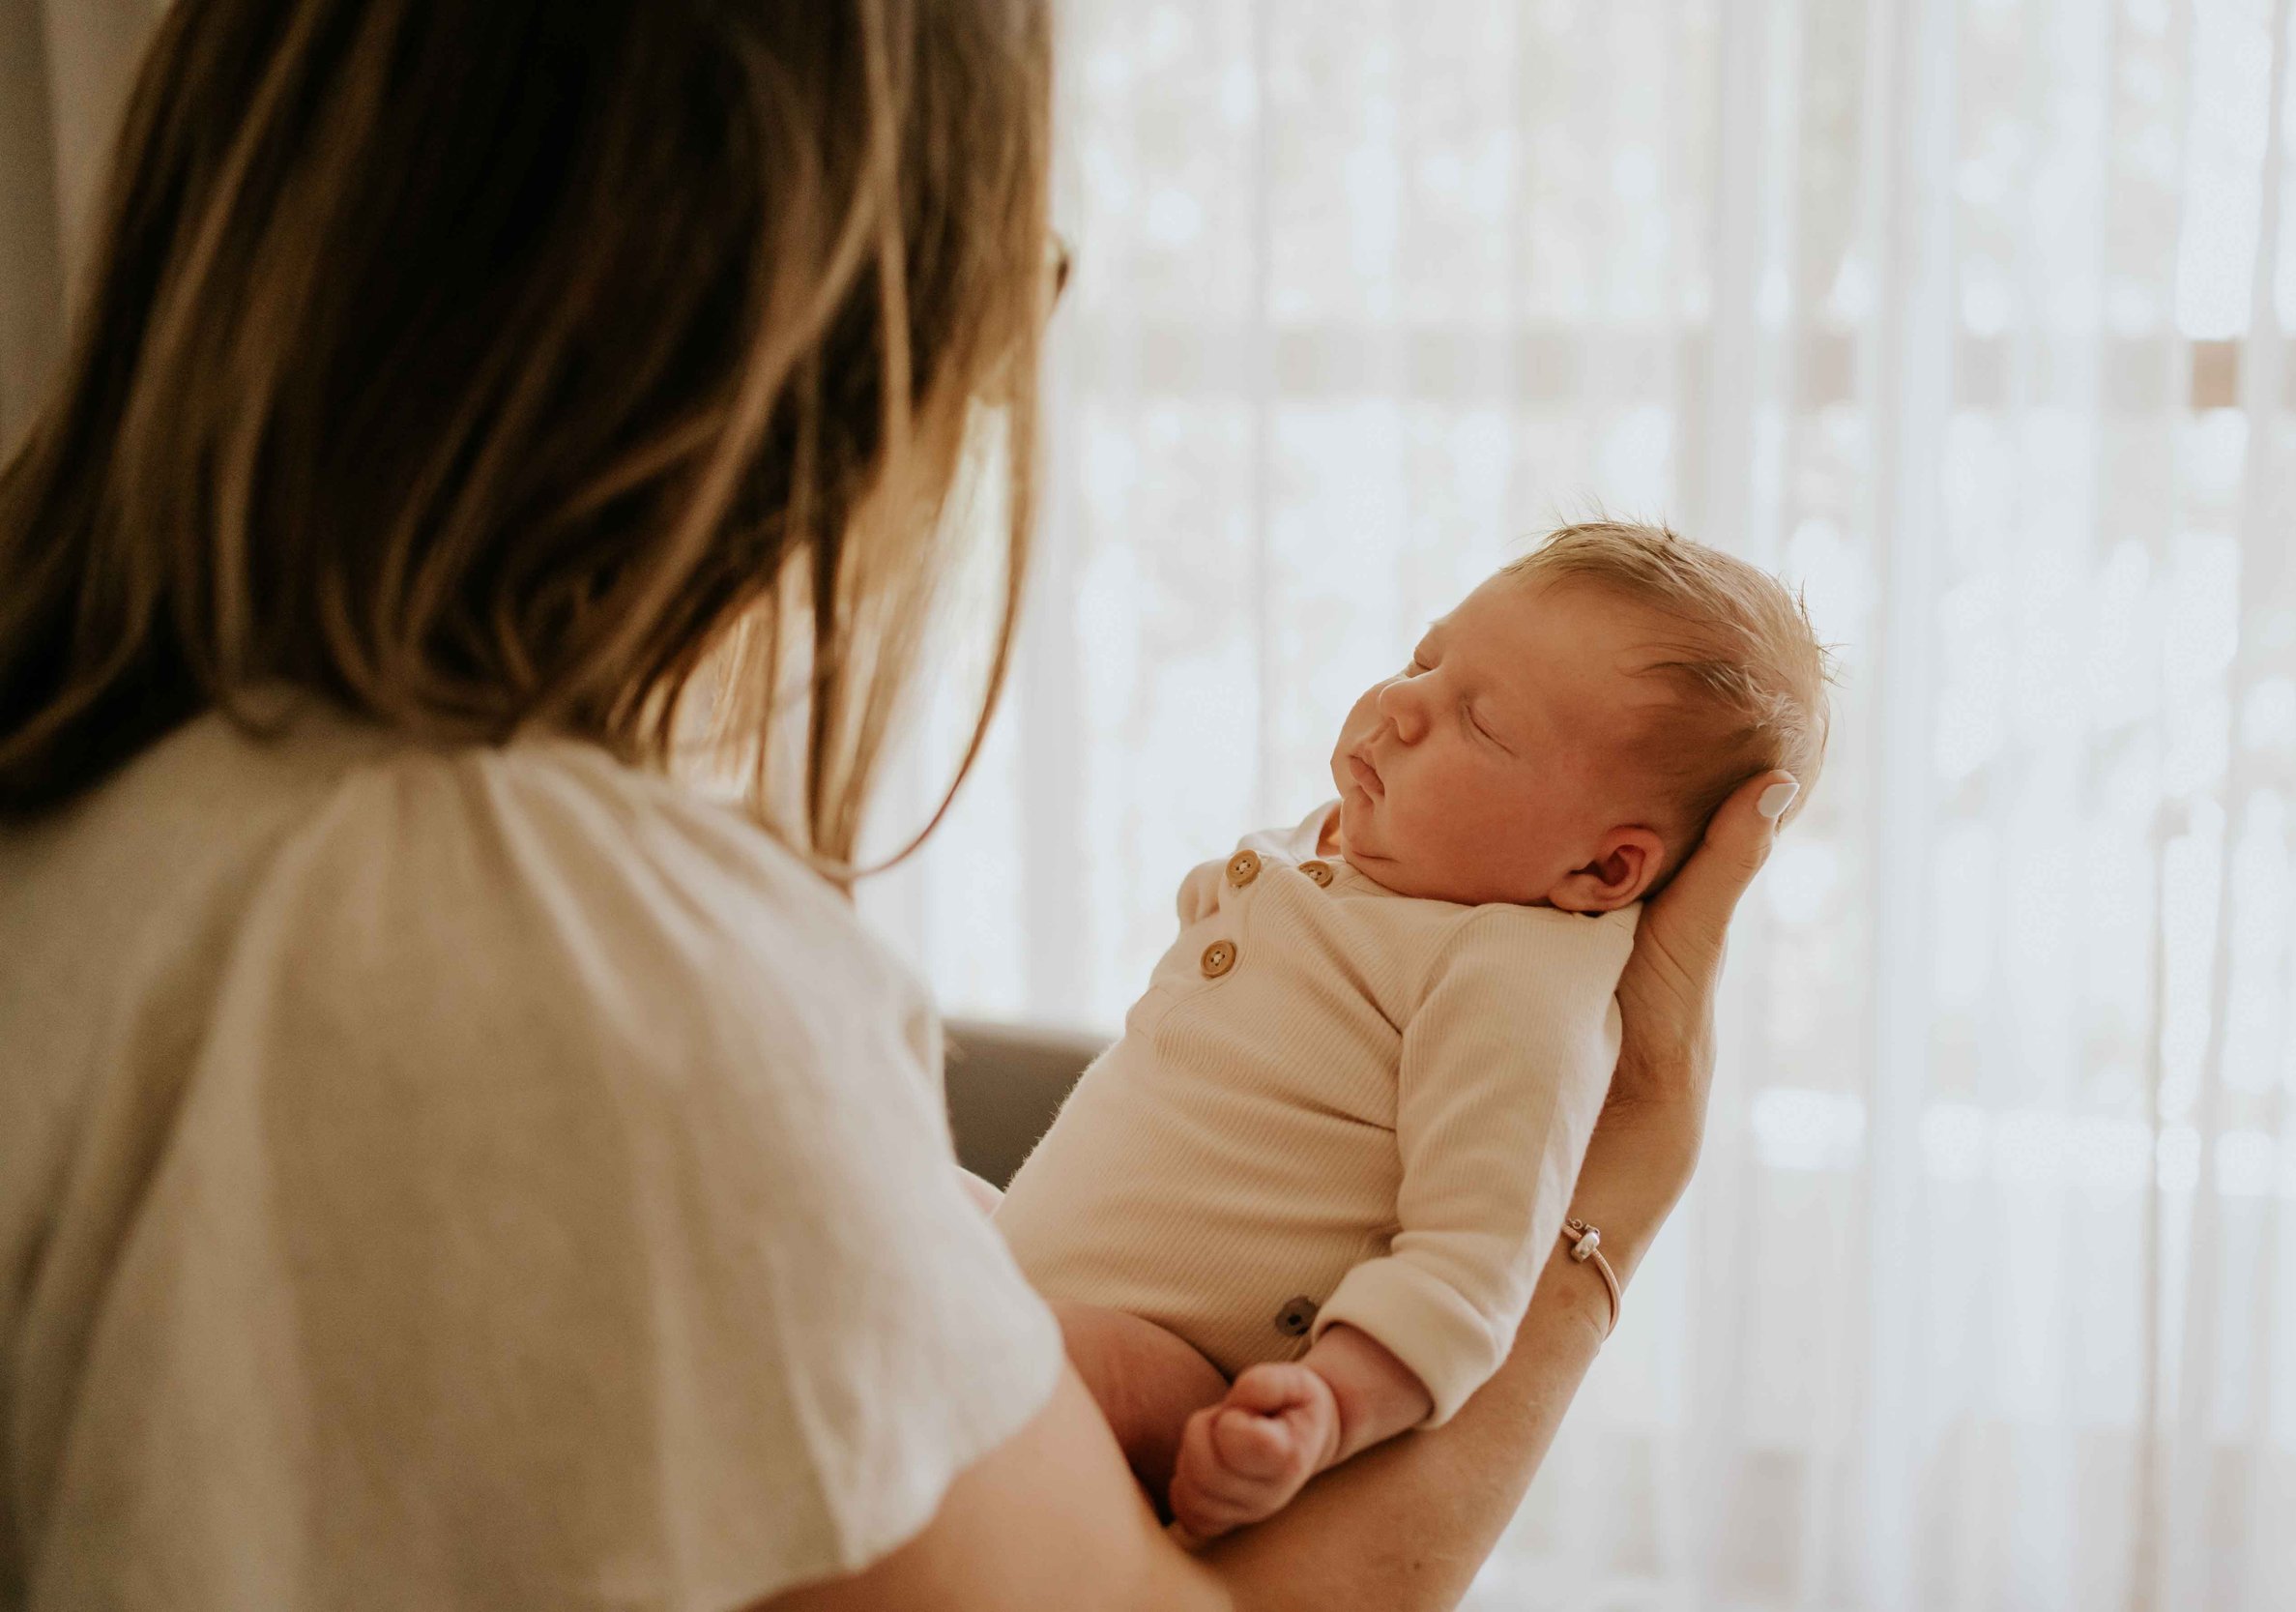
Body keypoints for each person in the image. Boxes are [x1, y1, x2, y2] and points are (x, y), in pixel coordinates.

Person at [0, 4, 1796, 1609]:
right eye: (1005, 258)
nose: (1008, 348)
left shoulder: (113, 791)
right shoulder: (570, 954)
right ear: (809, 307)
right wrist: (1613, 1200)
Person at [997, 522, 1830, 1539]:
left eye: (1478, 723)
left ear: (1602, 872)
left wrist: (1330, 1405)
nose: (1399, 702)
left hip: (1163, 1367)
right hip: (1024, 1277)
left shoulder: (1512, 975)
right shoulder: (1356, 852)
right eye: (1423, 659)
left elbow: (1473, 1255)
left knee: (979, 1347)